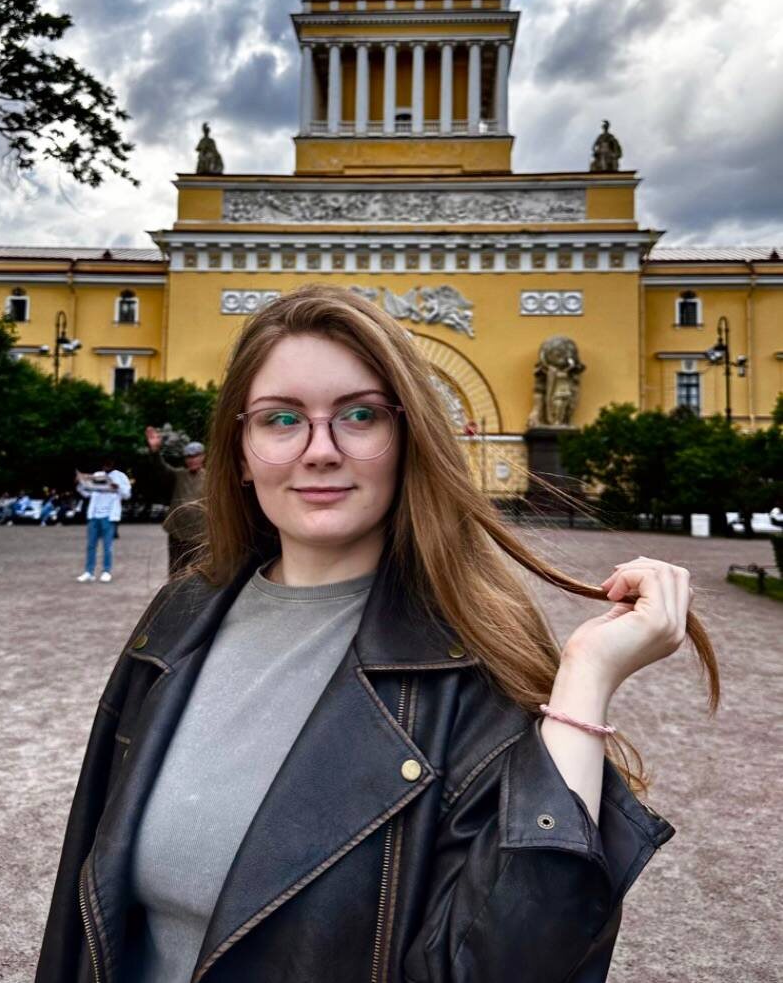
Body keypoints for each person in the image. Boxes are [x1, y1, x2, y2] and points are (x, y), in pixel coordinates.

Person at [37, 285, 720, 983]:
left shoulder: (473, 668)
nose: (320, 450)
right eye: (280, 419)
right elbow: (83, 905)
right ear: (239, 451)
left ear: (409, 439)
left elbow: (508, 961)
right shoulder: (177, 617)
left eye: (359, 415)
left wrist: (586, 680)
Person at [145, 427, 207, 575]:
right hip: (178, 532)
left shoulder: (212, 477)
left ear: (203, 456)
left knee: (199, 571)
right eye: (188, 457)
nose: (192, 460)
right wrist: (155, 451)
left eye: (195, 456)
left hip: (202, 534)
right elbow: (161, 468)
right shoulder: (179, 475)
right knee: (176, 569)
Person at [75, 459, 132, 583]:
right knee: (91, 545)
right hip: (94, 515)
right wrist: (80, 484)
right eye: (104, 464)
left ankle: (106, 571)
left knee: (107, 546)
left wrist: (118, 487)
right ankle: (89, 572)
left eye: (109, 464)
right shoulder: (97, 475)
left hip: (109, 515)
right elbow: (86, 493)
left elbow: (127, 494)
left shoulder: (120, 476)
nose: (106, 466)